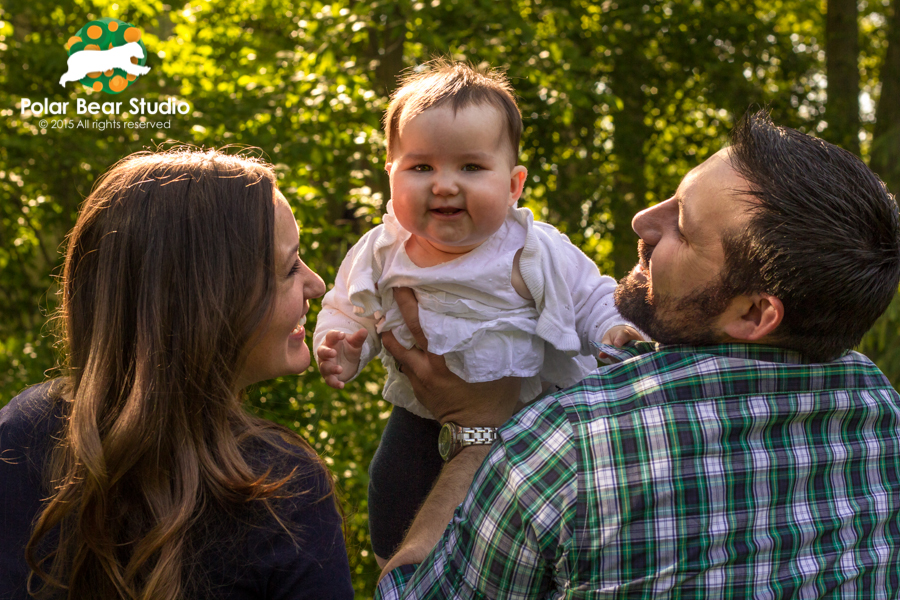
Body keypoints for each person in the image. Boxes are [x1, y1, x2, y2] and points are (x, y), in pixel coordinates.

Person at [374, 110, 900, 599]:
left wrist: (475, 430)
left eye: (683, 229)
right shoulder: (881, 411)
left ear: (754, 314)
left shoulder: (568, 445)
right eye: (673, 197)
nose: (643, 220)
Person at [312, 60, 643, 563]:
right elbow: (347, 304)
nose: (444, 185)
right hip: (421, 413)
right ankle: (394, 570)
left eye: (470, 167)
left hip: (535, 414)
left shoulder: (533, 249)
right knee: (393, 483)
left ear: (513, 186)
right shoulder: (382, 249)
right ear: (391, 176)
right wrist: (342, 341)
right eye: (421, 167)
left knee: (546, 511)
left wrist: (614, 327)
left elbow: (591, 295)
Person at [0, 149, 354, 600]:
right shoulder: (280, 488)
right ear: (211, 301)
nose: (316, 284)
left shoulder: (22, 433)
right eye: (289, 268)